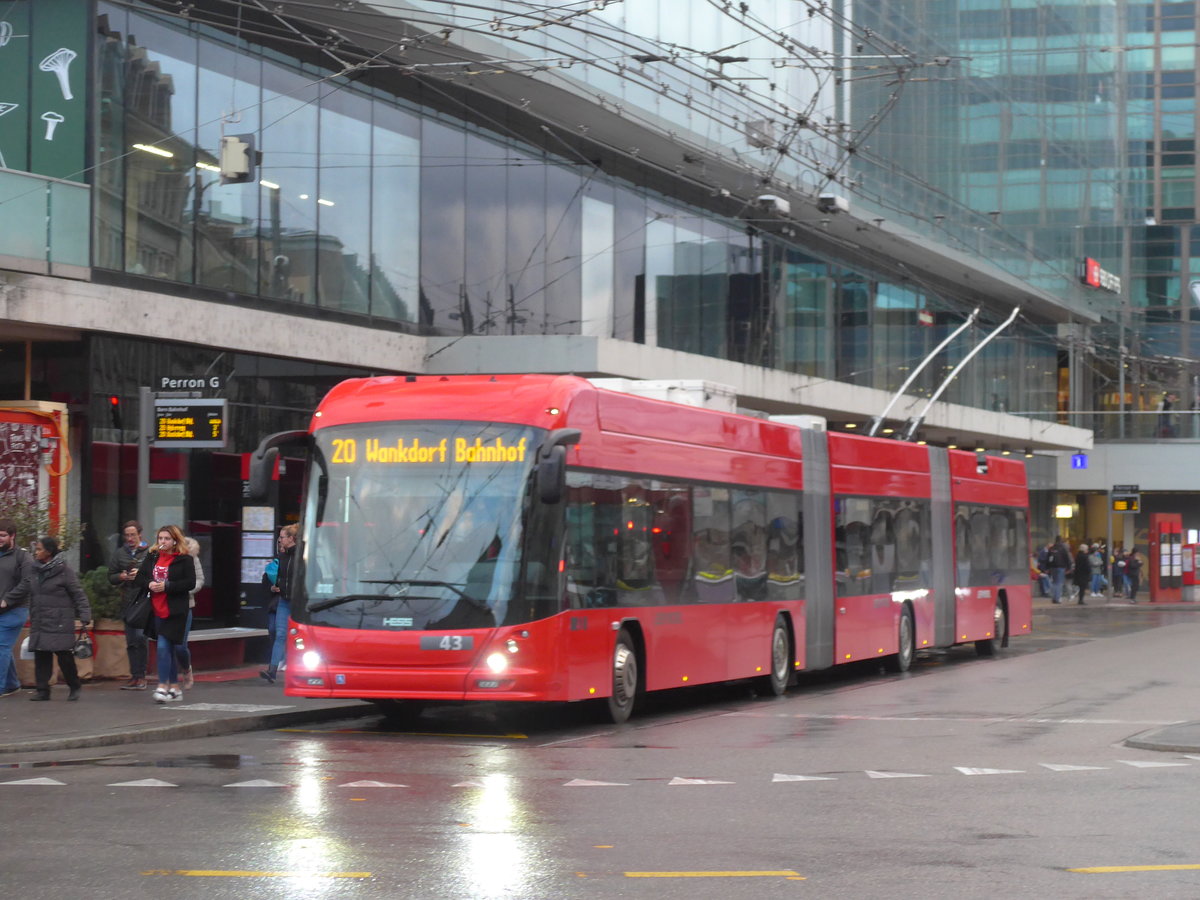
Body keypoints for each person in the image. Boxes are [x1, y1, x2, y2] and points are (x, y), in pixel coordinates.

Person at [133, 525, 195, 702]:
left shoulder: (184, 559)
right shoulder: (152, 556)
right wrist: (150, 584)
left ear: (175, 540)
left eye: (167, 538)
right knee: (165, 648)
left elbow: (190, 583)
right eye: (160, 538)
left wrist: (167, 586)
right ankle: (174, 688)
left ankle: (162, 686)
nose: (163, 542)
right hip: (156, 608)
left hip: (176, 611)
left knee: (167, 647)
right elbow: (140, 578)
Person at [27, 535, 91, 701]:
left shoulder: (64, 571)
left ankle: (74, 685)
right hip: (40, 619)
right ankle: (42, 690)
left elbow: (78, 594)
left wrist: (85, 614)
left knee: (64, 656)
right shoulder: (34, 570)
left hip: (60, 621)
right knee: (41, 655)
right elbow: (28, 592)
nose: (36, 552)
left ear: (49, 552)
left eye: (40, 549)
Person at [107, 520, 150, 690]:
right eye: (127, 535)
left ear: (140, 534)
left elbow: (158, 573)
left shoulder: (150, 552)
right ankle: (134, 676)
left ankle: (142, 676)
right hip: (127, 602)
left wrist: (140, 575)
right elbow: (111, 576)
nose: (130, 538)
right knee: (131, 640)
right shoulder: (120, 554)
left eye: (133, 535)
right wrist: (122, 577)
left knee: (140, 638)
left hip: (144, 602)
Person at [261, 524, 297, 684]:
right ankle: (272, 670)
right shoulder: (281, 558)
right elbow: (281, 578)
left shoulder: (302, 556)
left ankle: (299, 668)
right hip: (284, 600)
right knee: (280, 633)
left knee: (297, 636)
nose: (280, 540)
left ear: (291, 538)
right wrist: (276, 586)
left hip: (298, 602)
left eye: (282, 537)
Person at [0, 519, 32, 698]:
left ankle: (1, 687)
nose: (0, 539)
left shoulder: (23, 556)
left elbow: (28, 582)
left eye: (3, 535)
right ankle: (12, 684)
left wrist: (7, 600)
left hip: (15, 610)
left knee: (1, 646)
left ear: (12, 536)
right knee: (3, 647)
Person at [180, 536, 205, 691]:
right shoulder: (162, 555)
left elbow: (200, 580)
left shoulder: (191, 556)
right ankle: (168, 683)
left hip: (185, 604)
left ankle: (186, 669)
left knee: (180, 646)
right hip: (166, 605)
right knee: (165, 645)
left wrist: (186, 589)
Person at [1047, 535, 1072, 604]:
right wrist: (1069, 567)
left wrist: (1047, 567)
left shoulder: (1052, 548)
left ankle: (1054, 597)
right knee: (1059, 583)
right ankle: (1057, 598)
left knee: (1054, 582)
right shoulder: (1063, 548)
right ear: (1061, 540)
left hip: (1053, 567)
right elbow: (1067, 558)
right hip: (1061, 567)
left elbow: (1048, 558)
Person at [1071, 541, 1092, 605]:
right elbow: (1087, 566)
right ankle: (1081, 600)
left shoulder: (1078, 555)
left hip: (1078, 573)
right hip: (1084, 574)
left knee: (1081, 587)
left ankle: (1080, 599)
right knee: (1082, 588)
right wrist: (1089, 571)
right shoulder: (1084, 557)